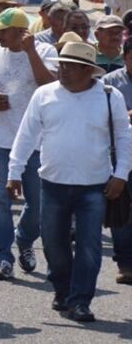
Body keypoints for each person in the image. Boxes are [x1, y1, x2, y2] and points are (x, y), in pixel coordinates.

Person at [8, 41, 132, 323]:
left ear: (88, 70)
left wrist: (121, 175)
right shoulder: (44, 94)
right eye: (61, 65)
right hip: (52, 184)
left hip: (95, 186)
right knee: (54, 244)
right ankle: (62, 290)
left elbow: (124, 139)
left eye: (70, 66)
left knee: (90, 246)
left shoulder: (109, 96)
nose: (62, 70)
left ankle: (80, 301)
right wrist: (14, 172)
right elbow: (26, 135)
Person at [0, 9, 57, 281]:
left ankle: (24, 238)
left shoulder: (44, 51)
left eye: (3, 30)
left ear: (22, 33)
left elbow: (51, 85)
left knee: (39, 204)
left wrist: (31, 52)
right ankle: (2, 258)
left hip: (35, 143)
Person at [100, 37, 132, 284]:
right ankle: (125, 263)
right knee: (122, 211)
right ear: (124, 58)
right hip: (120, 155)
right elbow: (101, 116)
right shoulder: (110, 83)